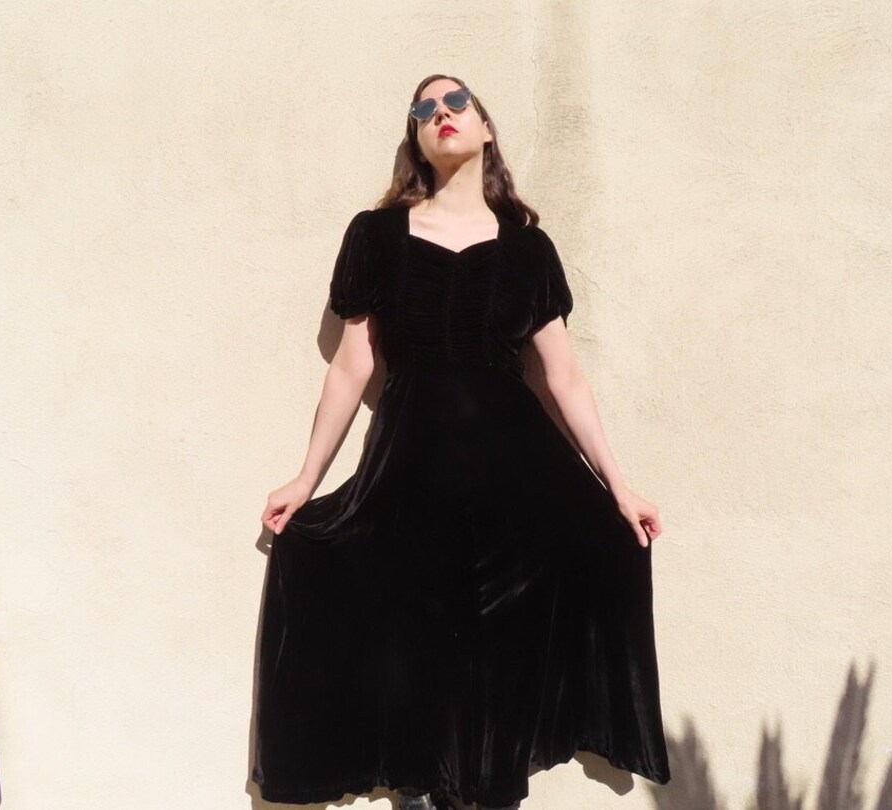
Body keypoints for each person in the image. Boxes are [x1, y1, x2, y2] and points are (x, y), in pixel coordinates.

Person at [253, 73, 671, 810]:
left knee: (505, 647)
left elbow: (563, 378)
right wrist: (305, 478)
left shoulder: (528, 250)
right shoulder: (375, 237)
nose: (440, 114)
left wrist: (618, 485)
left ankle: (493, 788)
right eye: (424, 109)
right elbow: (352, 367)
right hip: (411, 472)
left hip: (518, 477)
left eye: (456, 103)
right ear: (416, 139)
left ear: (485, 128)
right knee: (414, 635)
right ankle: (422, 782)